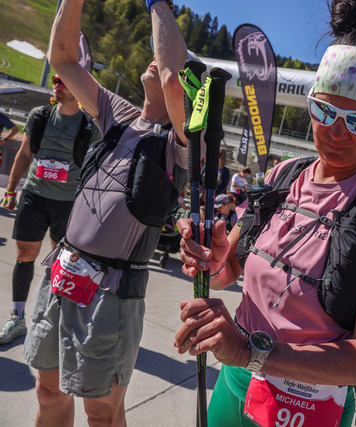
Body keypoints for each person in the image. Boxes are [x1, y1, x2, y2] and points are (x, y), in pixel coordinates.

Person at [174, 2, 356, 426]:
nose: (336, 132)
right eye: (324, 111)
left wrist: (249, 351)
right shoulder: (285, 175)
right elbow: (226, 272)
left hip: (309, 404)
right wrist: (210, 259)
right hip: (236, 381)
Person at [22, 1, 189, 425]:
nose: (155, 58)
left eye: (162, 54)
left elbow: (173, 78)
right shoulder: (121, 115)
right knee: (47, 392)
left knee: (101, 413)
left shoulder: (182, 144)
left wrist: (158, 5)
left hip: (110, 293)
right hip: (63, 271)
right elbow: (62, 58)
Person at [0, 76, 100, 345]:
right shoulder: (40, 115)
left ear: (77, 88)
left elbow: (96, 169)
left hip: (67, 203)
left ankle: (53, 319)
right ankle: (17, 318)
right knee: (25, 255)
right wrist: (10, 190)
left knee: (61, 263)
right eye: (55, 79)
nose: (57, 84)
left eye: (64, 81)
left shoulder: (89, 126)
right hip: (34, 195)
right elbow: (24, 154)